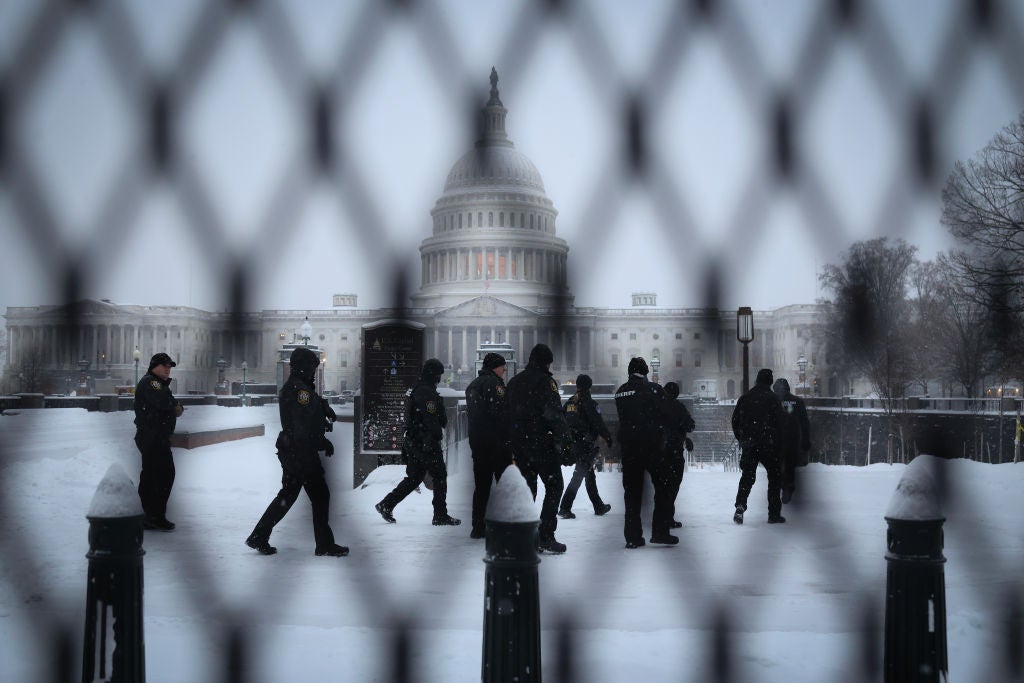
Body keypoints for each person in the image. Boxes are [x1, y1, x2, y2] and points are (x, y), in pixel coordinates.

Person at [246, 347, 349, 556]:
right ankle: (324, 544)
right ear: (303, 366)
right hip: (301, 453)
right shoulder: (299, 390)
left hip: (294, 451)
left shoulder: (298, 387)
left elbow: (311, 404)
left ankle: (259, 535)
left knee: (288, 495)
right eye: (311, 367)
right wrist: (322, 441)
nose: (313, 371)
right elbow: (302, 426)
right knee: (320, 496)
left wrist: (323, 407)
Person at [375, 358, 461, 526]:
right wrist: (436, 436)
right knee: (440, 476)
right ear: (433, 375)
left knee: (414, 478)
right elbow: (431, 419)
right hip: (425, 442)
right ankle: (440, 514)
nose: (440, 378)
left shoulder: (419, 388)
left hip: (415, 442)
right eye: (439, 375)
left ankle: (386, 504)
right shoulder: (426, 392)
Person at [507, 343, 572, 554]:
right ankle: (545, 535)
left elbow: (505, 413)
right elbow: (554, 414)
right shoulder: (546, 382)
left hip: (520, 443)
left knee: (527, 489)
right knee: (554, 486)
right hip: (541, 442)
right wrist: (566, 442)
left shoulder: (514, 382)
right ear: (547, 362)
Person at [614, 357, 676, 548]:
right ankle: (660, 531)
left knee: (631, 493)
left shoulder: (620, 392)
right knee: (664, 489)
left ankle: (632, 536)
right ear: (646, 372)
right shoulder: (654, 390)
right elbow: (667, 415)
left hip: (629, 448)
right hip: (652, 447)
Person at [465, 352, 514, 539]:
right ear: (495, 367)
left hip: (479, 443)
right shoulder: (496, 385)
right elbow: (501, 413)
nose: (505, 370)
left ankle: (478, 526)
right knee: (505, 485)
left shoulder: (472, 385)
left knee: (482, 486)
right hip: (497, 443)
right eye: (503, 366)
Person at [134, 352, 184, 531]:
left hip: (158, 437)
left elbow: (172, 403)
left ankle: (154, 515)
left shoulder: (159, 384)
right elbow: (165, 402)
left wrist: (175, 405)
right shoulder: (151, 382)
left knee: (157, 476)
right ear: (154, 366)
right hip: (152, 437)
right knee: (157, 476)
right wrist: (174, 406)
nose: (168, 369)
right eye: (164, 365)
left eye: (170, 366)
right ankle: (151, 515)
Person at [732, 368, 785, 524]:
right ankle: (774, 513)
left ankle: (740, 506)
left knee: (747, 477)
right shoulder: (773, 399)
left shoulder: (746, 398)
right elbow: (780, 424)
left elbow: (735, 420)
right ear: (769, 381)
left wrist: (742, 438)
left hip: (750, 443)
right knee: (774, 478)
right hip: (769, 444)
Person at [557, 374, 613, 519]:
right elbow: (598, 422)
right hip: (584, 444)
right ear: (589, 387)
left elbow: (562, 421)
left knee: (589, 475)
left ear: (577, 385)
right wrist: (607, 437)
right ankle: (564, 507)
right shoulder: (588, 402)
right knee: (579, 476)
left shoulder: (569, 402)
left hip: (573, 443)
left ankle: (598, 506)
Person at [660, 381, 695, 528]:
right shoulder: (679, 407)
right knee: (673, 484)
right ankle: (667, 516)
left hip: (659, 451)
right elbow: (690, 425)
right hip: (674, 451)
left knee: (661, 485)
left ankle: (661, 516)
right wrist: (684, 436)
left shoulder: (657, 406)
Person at [772, 377, 812, 504]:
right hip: (793, 440)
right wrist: (806, 440)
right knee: (790, 466)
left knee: (776, 466)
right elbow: (805, 423)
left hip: (776, 440)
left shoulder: (773, 402)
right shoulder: (798, 402)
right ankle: (788, 488)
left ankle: (778, 488)